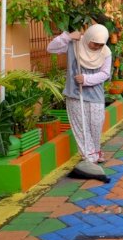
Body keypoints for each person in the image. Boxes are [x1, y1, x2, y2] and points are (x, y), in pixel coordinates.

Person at [47, 24, 112, 164]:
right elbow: (51, 48)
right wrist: (68, 36)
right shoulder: (74, 44)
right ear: (88, 37)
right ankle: (89, 157)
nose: (97, 46)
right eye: (95, 43)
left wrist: (86, 79)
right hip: (76, 94)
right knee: (81, 128)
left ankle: (96, 150)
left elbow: (105, 74)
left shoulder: (105, 52)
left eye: (101, 44)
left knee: (95, 125)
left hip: (96, 96)